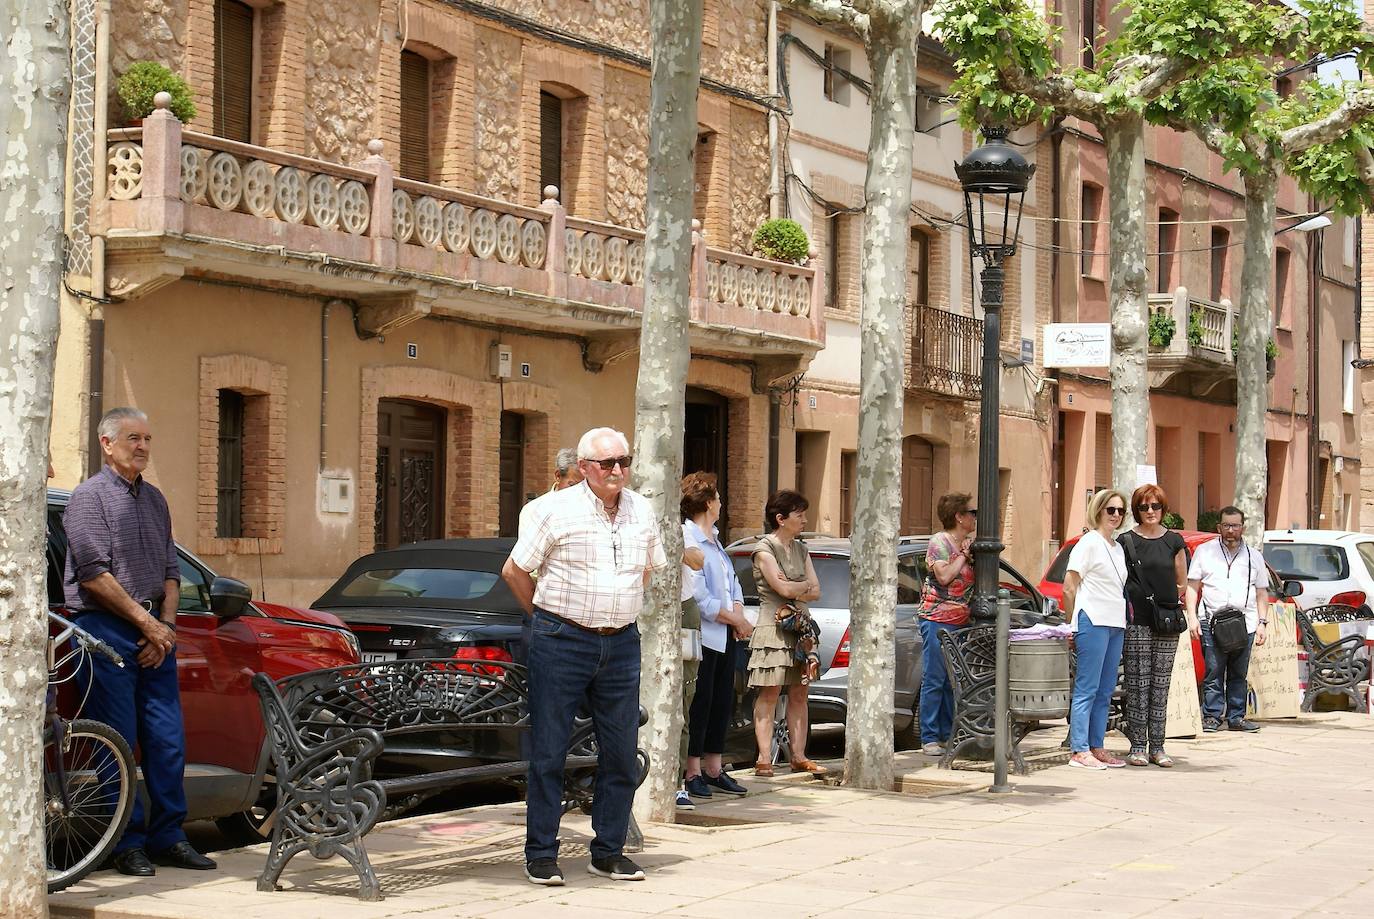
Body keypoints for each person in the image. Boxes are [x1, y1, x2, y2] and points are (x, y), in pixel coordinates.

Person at [501, 427, 666, 887]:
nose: (618, 471)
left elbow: (649, 569)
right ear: (584, 467)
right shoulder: (550, 510)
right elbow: (514, 569)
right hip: (562, 639)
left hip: (621, 642)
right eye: (608, 463)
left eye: (624, 461)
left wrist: (619, 605)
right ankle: (541, 854)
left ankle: (609, 852)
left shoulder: (643, 510)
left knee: (620, 752)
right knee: (550, 750)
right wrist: (545, 619)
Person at [63, 407, 217, 876]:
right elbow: (93, 576)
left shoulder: (155, 500)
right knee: (119, 742)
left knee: (167, 741)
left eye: (148, 438)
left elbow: (171, 572)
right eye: (133, 438)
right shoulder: (88, 499)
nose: (143, 447)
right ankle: (125, 842)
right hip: (105, 629)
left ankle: (169, 836)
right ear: (107, 444)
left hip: (156, 631)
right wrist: (147, 627)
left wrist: (164, 627)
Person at [681, 472, 753, 801]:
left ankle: (714, 767)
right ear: (709, 503)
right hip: (703, 636)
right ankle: (692, 770)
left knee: (722, 703)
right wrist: (734, 618)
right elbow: (700, 598)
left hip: (725, 635)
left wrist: (738, 615)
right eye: (719, 498)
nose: (721, 503)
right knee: (701, 704)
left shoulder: (717, 541)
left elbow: (731, 584)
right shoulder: (690, 539)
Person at [747, 490, 827, 777]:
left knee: (800, 693)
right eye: (800, 514)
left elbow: (816, 590)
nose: (805, 519)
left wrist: (797, 585)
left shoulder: (801, 549)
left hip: (802, 628)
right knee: (769, 692)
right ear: (780, 519)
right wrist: (799, 586)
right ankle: (764, 758)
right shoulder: (764, 549)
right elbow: (781, 590)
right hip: (773, 627)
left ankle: (798, 755)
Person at [1118, 484, 1188, 767]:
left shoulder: (1174, 541)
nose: (1150, 512)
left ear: (1163, 509)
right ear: (1136, 510)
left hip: (1167, 620)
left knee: (1161, 685)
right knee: (1137, 683)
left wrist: (1173, 603)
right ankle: (1137, 746)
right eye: (1144, 507)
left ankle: (1158, 746)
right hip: (1136, 621)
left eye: (1155, 506)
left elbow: (1182, 581)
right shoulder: (1125, 541)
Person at [1062, 488, 1130, 770]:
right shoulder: (1088, 542)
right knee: (1087, 687)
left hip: (1115, 622)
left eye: (1120, 511)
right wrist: (1071, 624)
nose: (1115, 515)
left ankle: (1096, 745)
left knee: (1105, 689)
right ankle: (1079, 749)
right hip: (1092, 619)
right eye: (1110, 509)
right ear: (1098, 510)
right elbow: (1069, 586)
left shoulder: (1117, 546)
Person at [1185, 505, 1268, 733]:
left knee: (1238, 673)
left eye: (1235, 525)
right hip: (1211, 621)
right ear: (1219, 527)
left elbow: (1262, 592)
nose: (1231, 530)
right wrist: (1192, 617)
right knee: (1213, 670)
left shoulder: (1254, 557)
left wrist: (1262, 623)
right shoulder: (1204, 551)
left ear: (1243, 527)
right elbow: (1193, 587)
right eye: (1226, 525)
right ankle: (1211, 716)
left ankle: (1236, 717)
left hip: (1246, 623)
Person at [915, 492, 976, 757]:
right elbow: (944, 576)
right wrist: (962, 557)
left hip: (961, 622)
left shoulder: (968, 545)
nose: (975, 517)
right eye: (971, 513)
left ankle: (948, 733)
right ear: (958, 516)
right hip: (937, 620)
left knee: (954, 680)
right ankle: (929, 736)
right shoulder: (940, 542)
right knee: (935, 677)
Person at [675, 523, 705, 812]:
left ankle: (676, 784)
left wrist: (674, 548)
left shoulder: (680, 528)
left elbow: (697, 560)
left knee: (683, 701)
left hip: (683, 610)